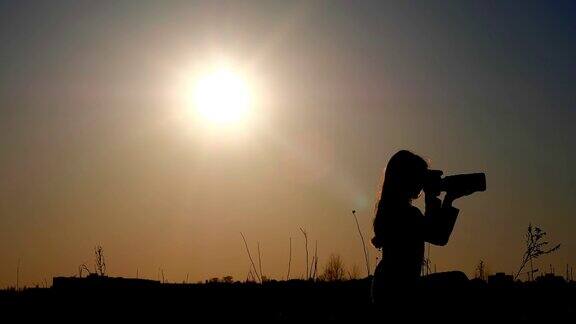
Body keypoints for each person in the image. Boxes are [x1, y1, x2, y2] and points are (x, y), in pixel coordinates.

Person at [370, 150, 469, 307]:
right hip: (399, 289)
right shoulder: (406, 214)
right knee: (458, 280)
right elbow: (439, 235)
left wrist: (441, 198)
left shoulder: (390, 209)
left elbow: (436, 232)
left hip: (387, 287)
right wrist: (443, 198)